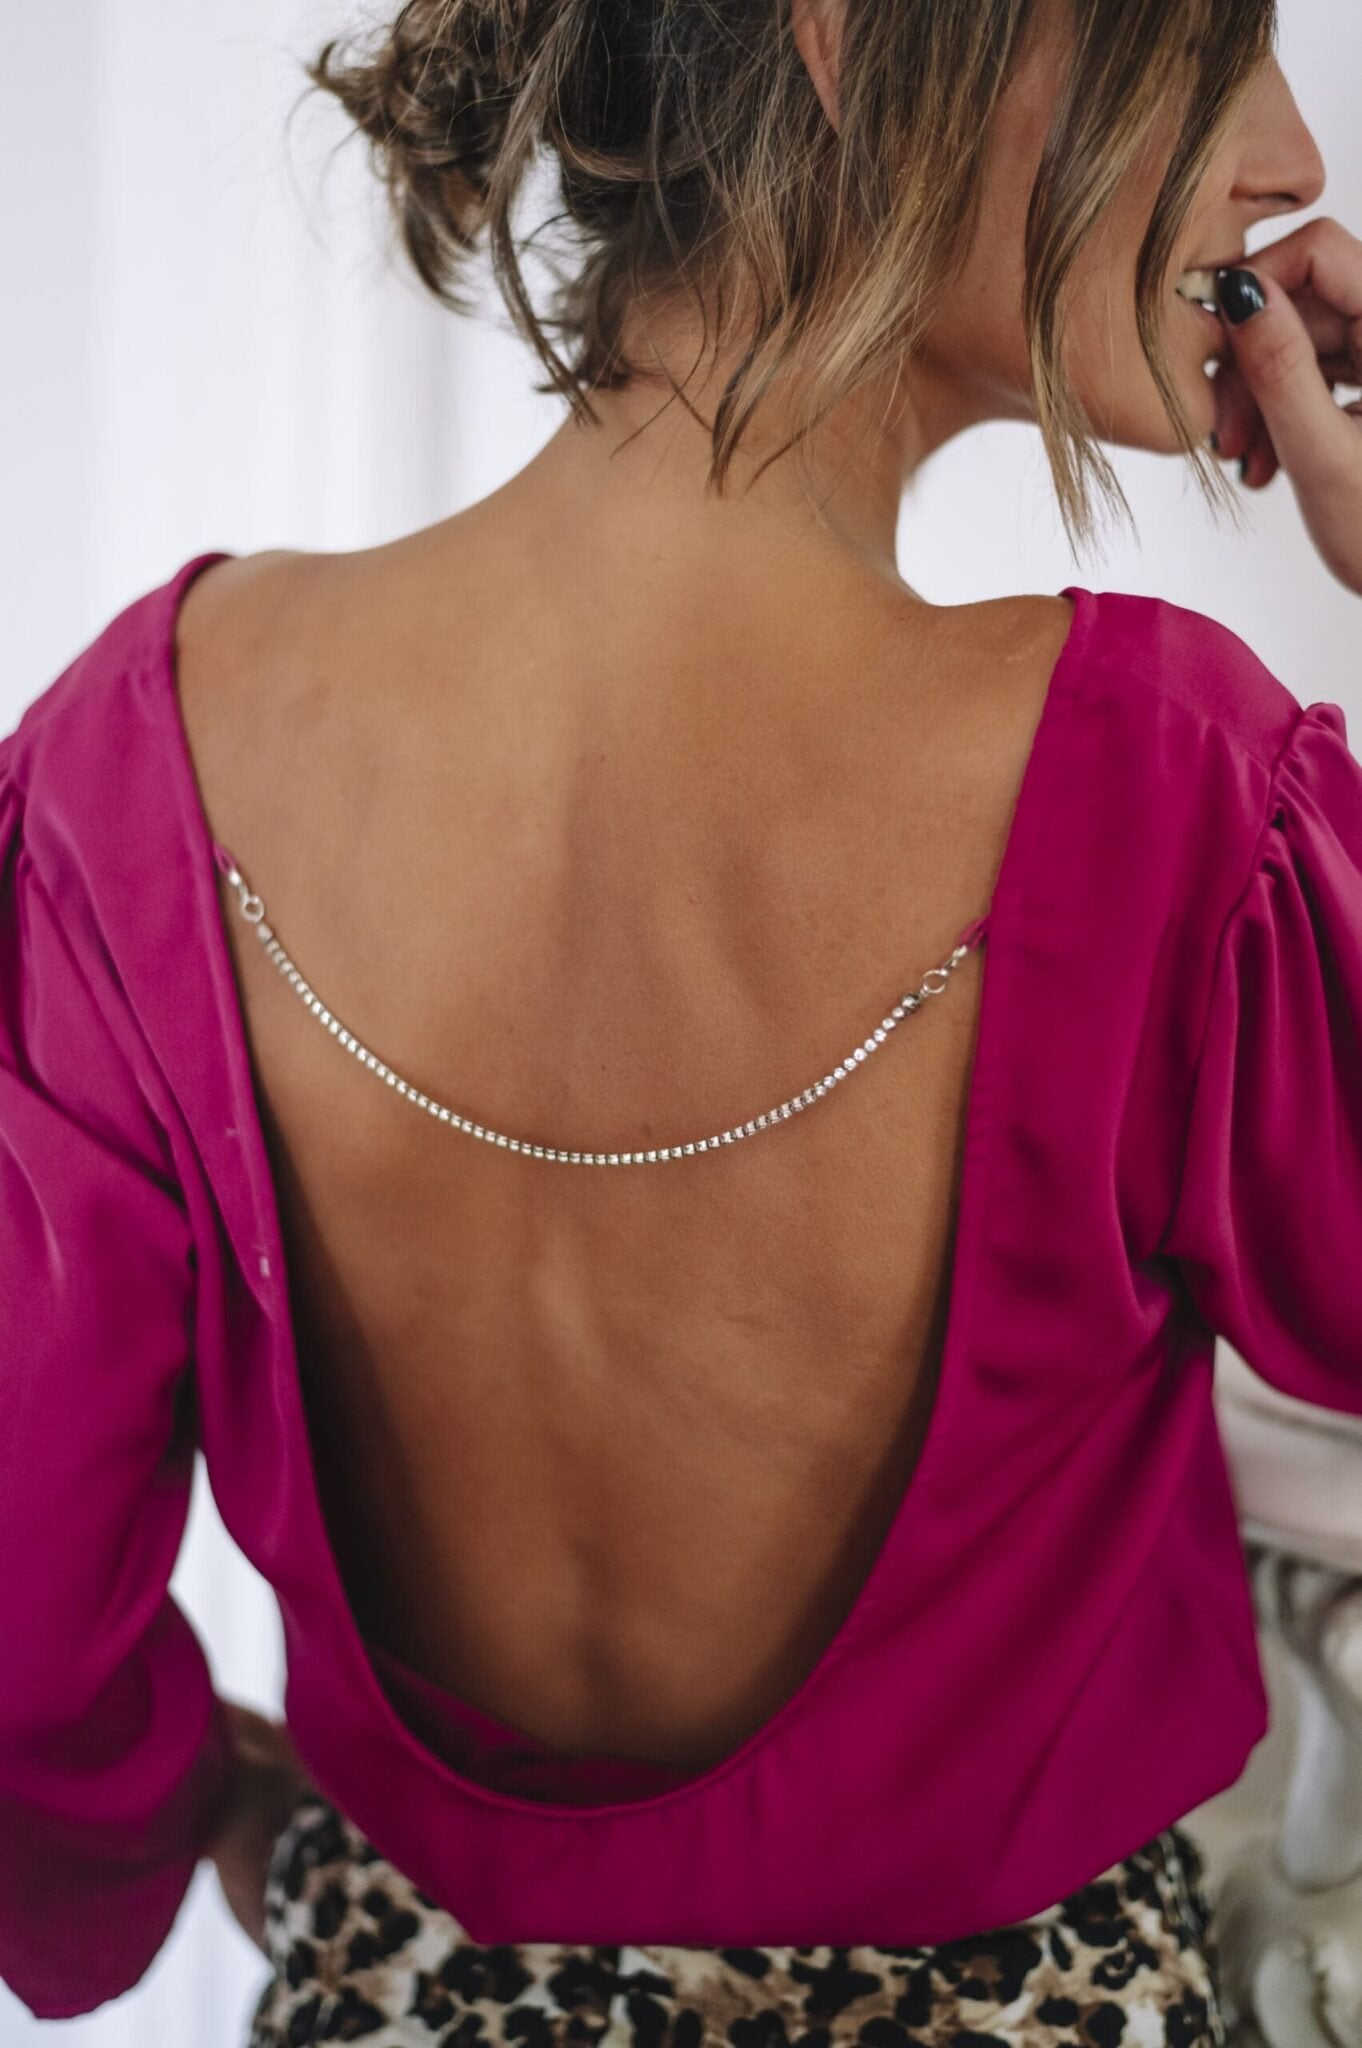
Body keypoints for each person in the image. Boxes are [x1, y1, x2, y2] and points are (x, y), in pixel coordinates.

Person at [4, 0, 1362, 2039]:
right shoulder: (1171, 791)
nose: (1294, 159)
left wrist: (177, 1812)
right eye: (1200, 38)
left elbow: (16, 1595)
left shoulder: (137, 754)